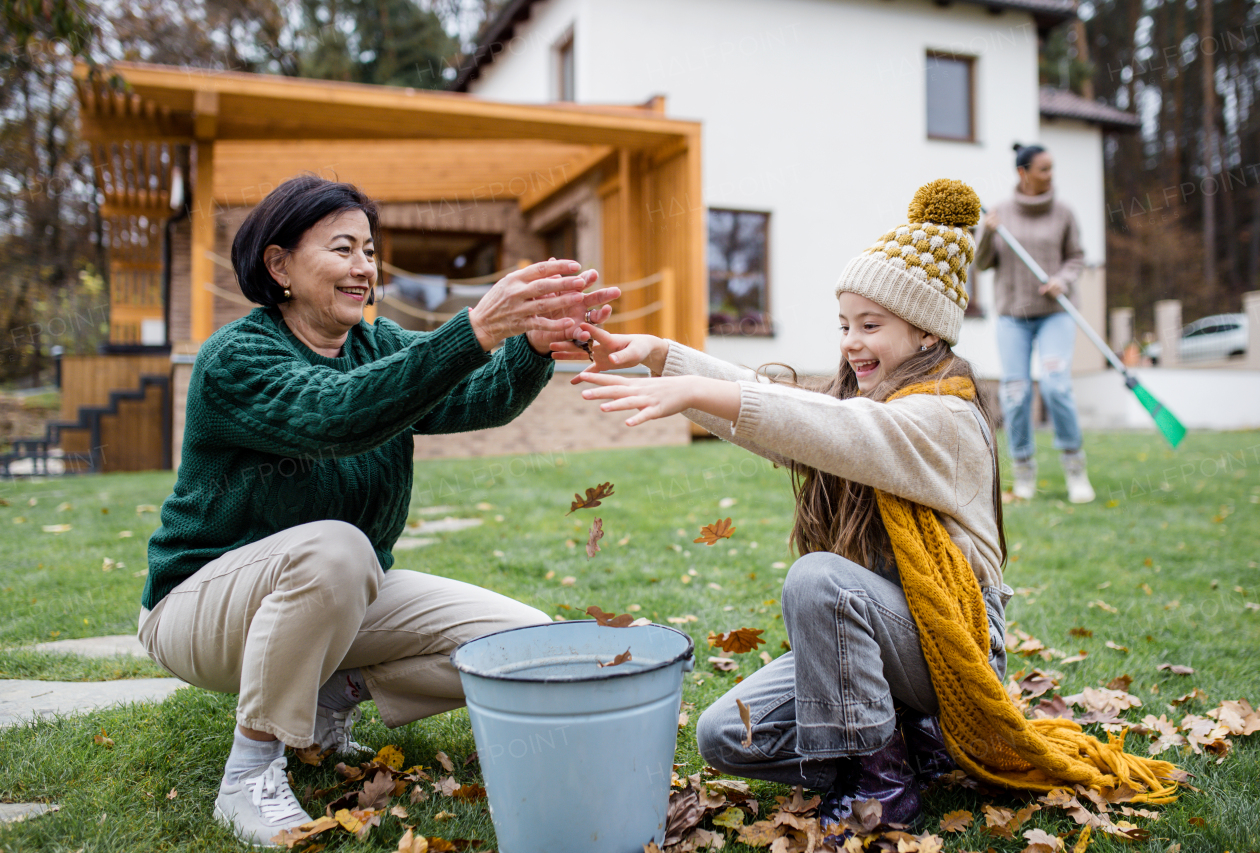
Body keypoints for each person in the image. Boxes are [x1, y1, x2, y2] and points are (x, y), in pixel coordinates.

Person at [556, 180, 1179, 835]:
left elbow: (829, 425)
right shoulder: (868, 401)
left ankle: (881, 785)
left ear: (925, 330)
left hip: (955, 642)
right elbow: (803, 408)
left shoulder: (946, 415)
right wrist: (662, 357)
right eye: (846, 324)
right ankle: (915, 746)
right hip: (882, 638)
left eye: (871, 325)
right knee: (724, 736)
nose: (852, 342)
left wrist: (697, 391)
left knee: (818, 577)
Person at [137, 174, 619, 846]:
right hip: (203, 610)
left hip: (331, 595)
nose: (364, 266)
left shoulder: (376, 343)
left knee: (522, 643)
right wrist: (475, 326)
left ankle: (329, 696)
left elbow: (474, 399)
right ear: (278, 265)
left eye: (369, 250)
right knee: (336, 548)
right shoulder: (236, 358)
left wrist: (530, 346)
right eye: (343, 248)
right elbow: (338, 415)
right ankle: (250, 770)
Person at [975, 143, 1095, 503]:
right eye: (1043, 169)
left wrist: (1063, 278)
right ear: (1023, 172)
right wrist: (987, 232)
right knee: (1016, 394)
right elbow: (981, 264)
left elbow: (1076, 257)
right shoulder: (1000, 214)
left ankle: (1076, 469)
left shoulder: (1063, 213)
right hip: (1014, 317)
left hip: (1055, 314)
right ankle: (1024, 471)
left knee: (1057, 386)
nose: (1050, 175)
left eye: (1052, 169)